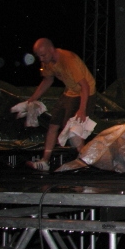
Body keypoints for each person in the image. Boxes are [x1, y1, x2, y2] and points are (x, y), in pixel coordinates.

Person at [26, 38, 97, 171]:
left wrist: (82, 109)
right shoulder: (48, 62)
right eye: (39, 56)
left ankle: (84, 161)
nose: (41, 59)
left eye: (43, 55)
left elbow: (85, 86)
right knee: (53, 124)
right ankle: (45, 161)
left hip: (86, 92)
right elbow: (48, 80)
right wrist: (33, 98)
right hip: (70, 91)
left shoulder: (68, 60)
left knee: (74, 128)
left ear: (51, 50)